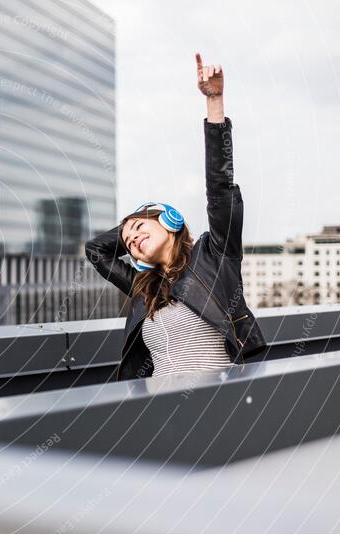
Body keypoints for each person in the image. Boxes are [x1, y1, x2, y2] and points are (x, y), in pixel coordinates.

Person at [85, 53, 267, 380]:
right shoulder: (145, 289)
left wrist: (215, 102)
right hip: (157, 416)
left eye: (141, 227)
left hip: (216, 409)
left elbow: (220, 190)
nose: (133, 240)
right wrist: (131, 227)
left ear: (169, 221)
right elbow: (95, 251)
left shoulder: (213, 258)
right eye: (128, 242)